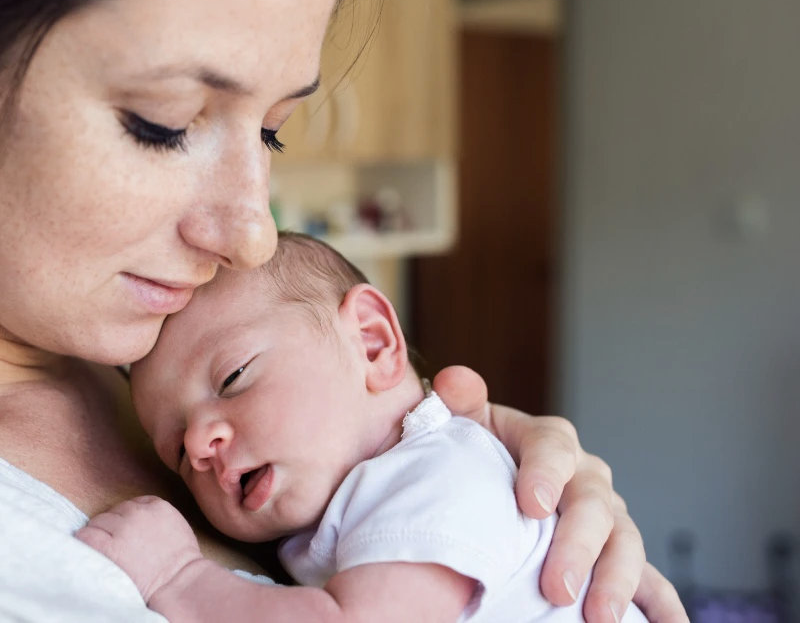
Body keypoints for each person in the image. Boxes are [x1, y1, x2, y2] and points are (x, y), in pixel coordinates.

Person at [0, 0, 685, 621]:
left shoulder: (142, 356)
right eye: (162, 123)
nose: (250, 231)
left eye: (271, 132)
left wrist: (520, 502)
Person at [78, 233, 652, 622]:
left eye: (232, 378)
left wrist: (179, 579)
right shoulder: (355, 502)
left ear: (373, 343)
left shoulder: (433, 479)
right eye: (177, 451)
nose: (201, 446)